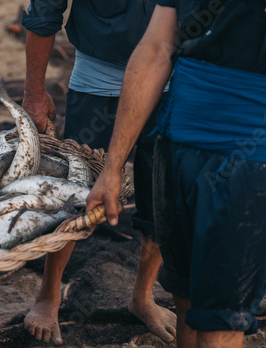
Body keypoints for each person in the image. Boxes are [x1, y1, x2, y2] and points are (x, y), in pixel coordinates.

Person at [87, 0, 266, 347]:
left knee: (221, 322)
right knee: (187, 303)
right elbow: (154, 51)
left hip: (248, 159)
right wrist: (113, 166)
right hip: (176, 146)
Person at [21, 0, 176, 345]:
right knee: (76, 193)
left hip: (172, 79)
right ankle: (48, 294)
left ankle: (143, 297)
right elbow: (44, 10)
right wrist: (33, 92)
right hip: (98, 81)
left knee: (162, 196)